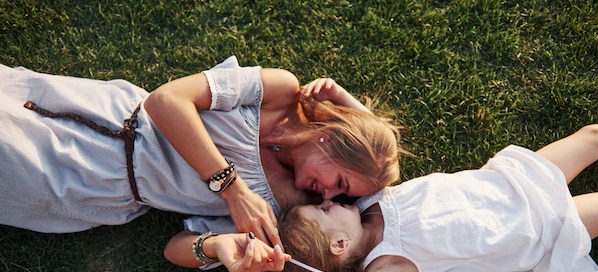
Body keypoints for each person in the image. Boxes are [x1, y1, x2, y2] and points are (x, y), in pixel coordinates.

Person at [269, 112, 598, 272]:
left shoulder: (366, 200)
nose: (329, 200)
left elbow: (369, 147)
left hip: (511, 183)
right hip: (537, 229)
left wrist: (335, 99)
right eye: (325, 211)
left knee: (596, 135)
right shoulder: (385, 265)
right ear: (339, 245)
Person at [0, 56, 401, 250]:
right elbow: (166, 101)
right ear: (333, 139)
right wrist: (232, 189)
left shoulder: (284, 207)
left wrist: (224, 251)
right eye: (340, 183)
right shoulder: (279, 91)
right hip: (96, 109)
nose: (328, 196)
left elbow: (179, 247)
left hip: (91, 184)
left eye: (339, 198)